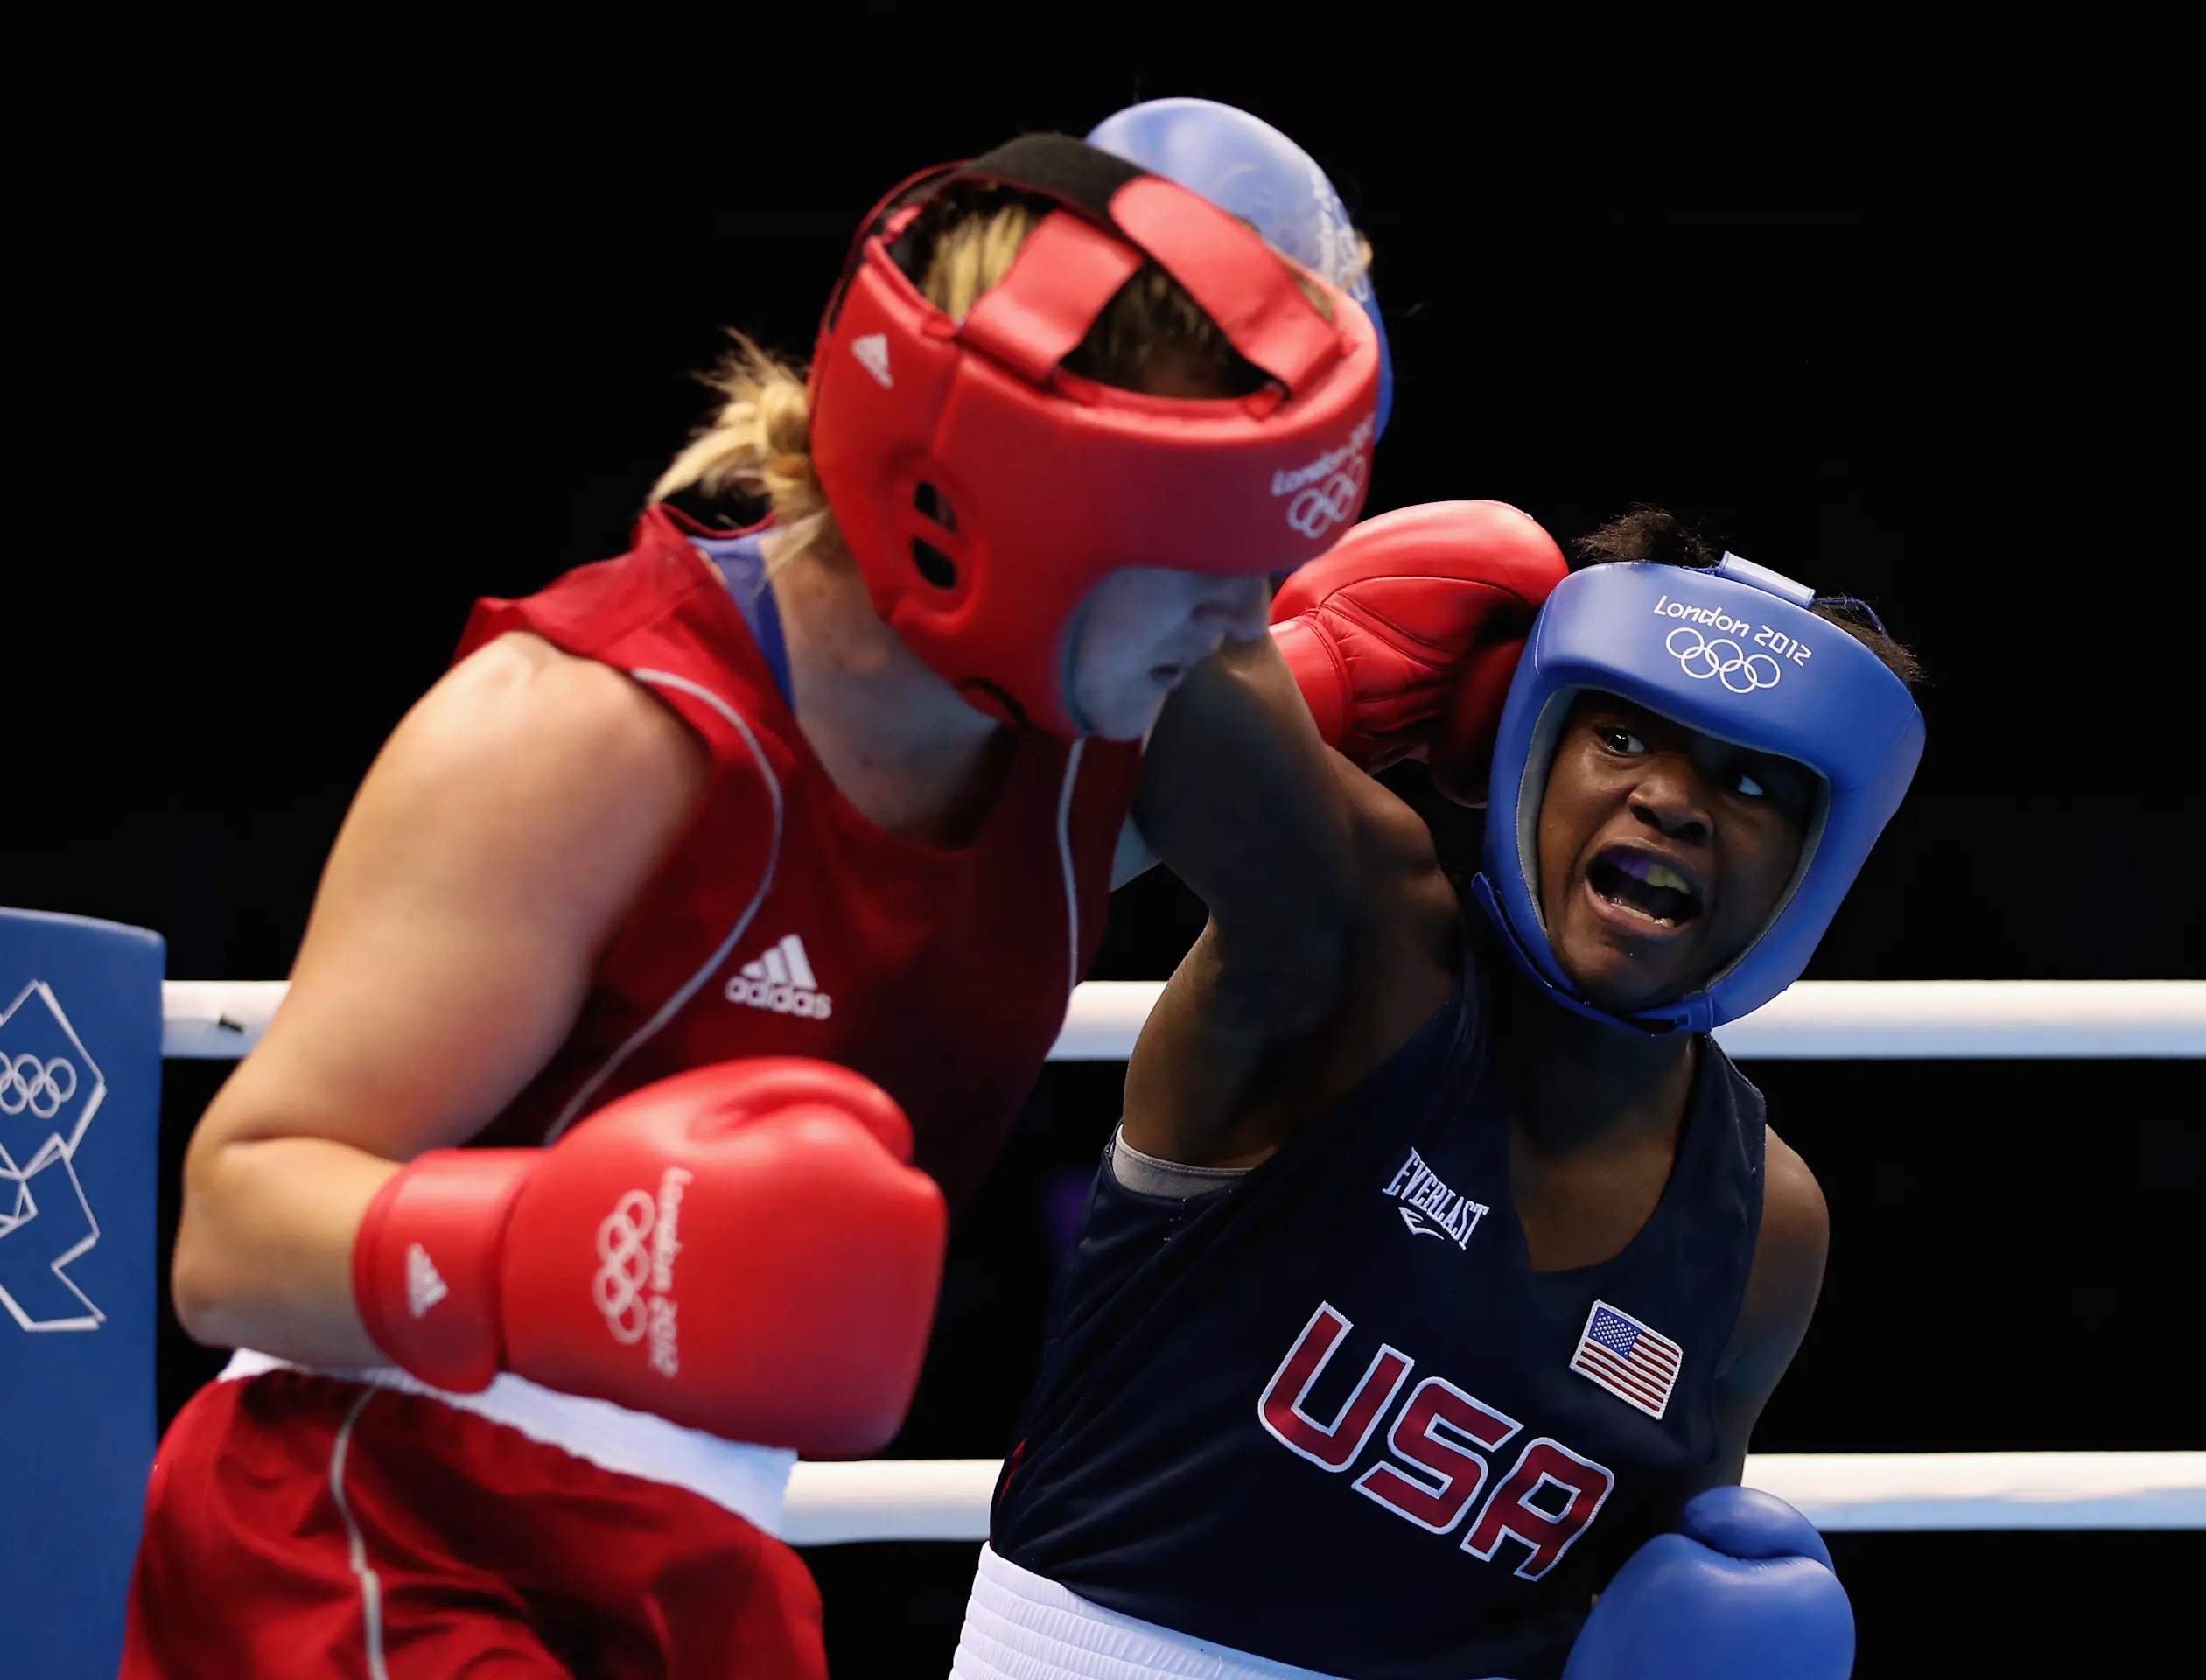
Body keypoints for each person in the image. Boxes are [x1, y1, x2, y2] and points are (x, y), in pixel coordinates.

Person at [118, 130, 1541, 1678]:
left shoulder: (1097, 732)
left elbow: (1305, 899)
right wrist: (559, 1251)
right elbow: (228, 1224)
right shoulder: (590, 733)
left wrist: (1339, 676)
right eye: (1205, 556)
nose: (1237, 615)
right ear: (1010, 510)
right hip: (373, 1520)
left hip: (700, 1560)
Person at [956, 506, 1926, 1679]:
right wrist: (1322, 674)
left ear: (1819, 860)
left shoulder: (1764, 1228)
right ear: (1533, 739)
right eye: (1622, 737)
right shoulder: (1358, 949)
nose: (1673, 800)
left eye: (1754, 782)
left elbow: (1621, 1594)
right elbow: (1100, 623)